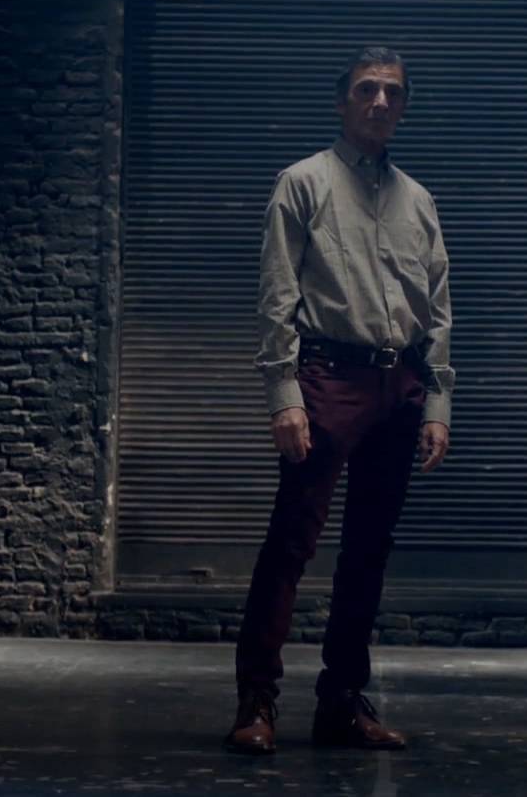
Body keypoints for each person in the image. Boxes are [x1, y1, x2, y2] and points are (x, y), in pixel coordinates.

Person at [224, 46, 456, 756]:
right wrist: (284, 395)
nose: (380, 102)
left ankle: (342, 704)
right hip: (327, 379)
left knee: (368, 552)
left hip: (399, 385)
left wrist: (437, 403)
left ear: (404, 106)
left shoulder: (419, 201)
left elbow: (437, 308)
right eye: (367, 90)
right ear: (342, 101)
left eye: (393, 92)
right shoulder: (302, 183)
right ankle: (256, 702)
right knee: (292, 542)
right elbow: (277, 296)